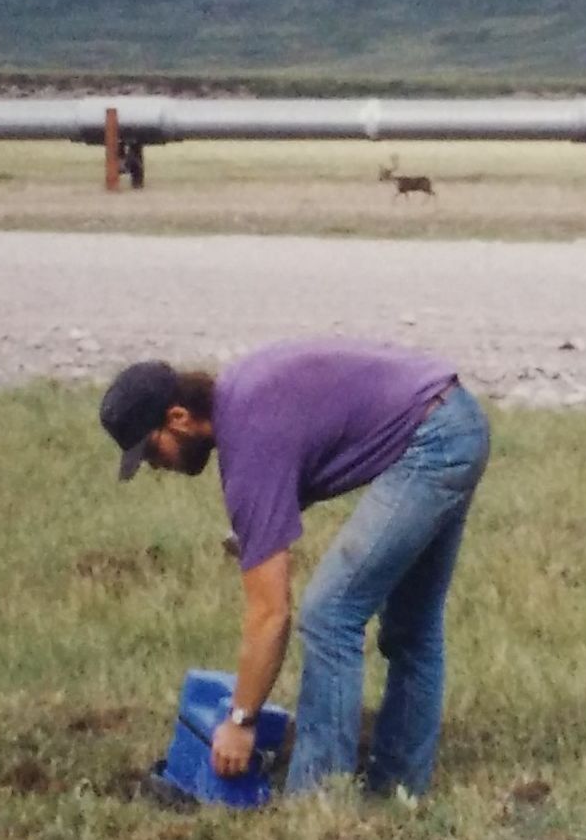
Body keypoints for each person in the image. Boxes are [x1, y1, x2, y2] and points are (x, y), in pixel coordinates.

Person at [100, 339, 490, 798]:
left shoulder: (247, 443)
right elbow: (306, 439)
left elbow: (270, 614)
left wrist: (241, 721)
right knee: (412, 624)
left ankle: (318, 798)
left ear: (179, 418)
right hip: (456, 417)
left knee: (329, 614)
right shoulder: (240, 396)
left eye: (151, 451)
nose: (155, 466)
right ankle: (397, 790)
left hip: (433, 441)